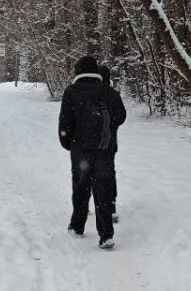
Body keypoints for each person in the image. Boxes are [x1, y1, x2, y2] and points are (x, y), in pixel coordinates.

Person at [58, 56, 126, 250]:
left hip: (80, 149)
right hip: (104, 149)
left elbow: (66, 120)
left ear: (78, 71)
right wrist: (108, 129)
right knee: (102, 189)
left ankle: (77, 226)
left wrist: (67, 142)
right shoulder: (108, 91)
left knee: (81, 187)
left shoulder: (72, 91)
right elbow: (121, 116)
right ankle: (105, 235)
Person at [97, 62, 120, 223]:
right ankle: (111, 206)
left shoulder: (88, 93)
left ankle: (89, 204)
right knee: (109, 172)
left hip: (89, 143)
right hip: (110, 142)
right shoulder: (112, 94)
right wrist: (111, 125)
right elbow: (121, 115)